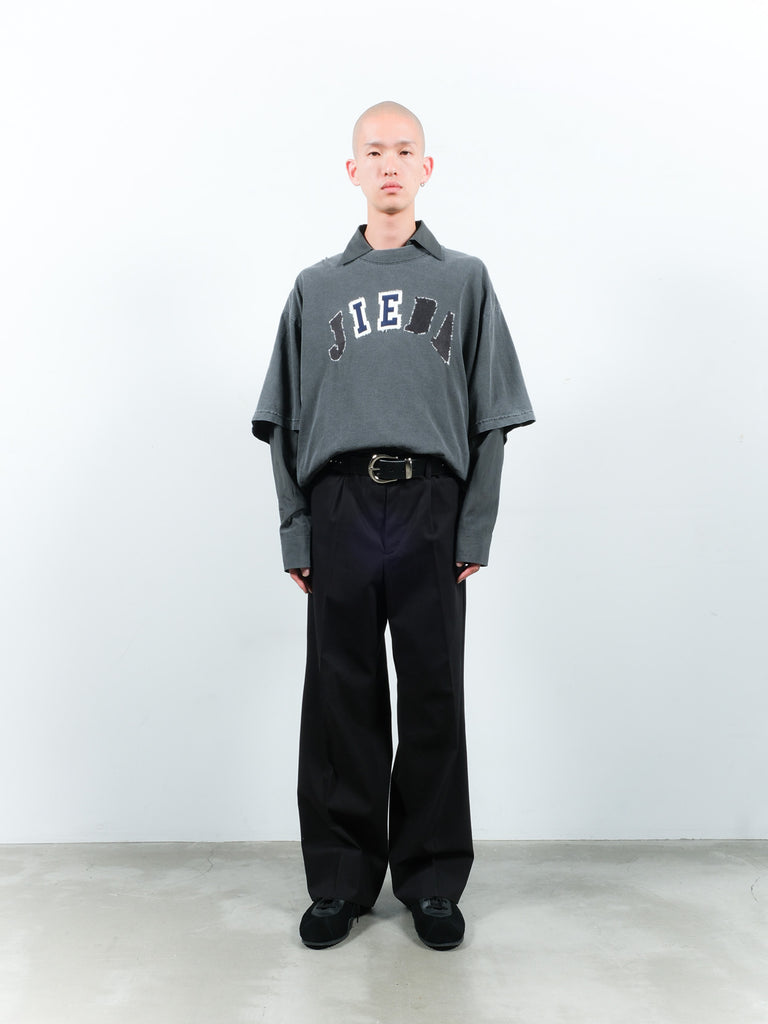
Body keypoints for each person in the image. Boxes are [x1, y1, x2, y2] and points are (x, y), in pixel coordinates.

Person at [251, 101, 534, 950]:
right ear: (352, 170)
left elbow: (493, 418)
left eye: (404, 151)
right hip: (339, 502)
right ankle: (340, 882)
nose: (389, 164)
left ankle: (433, 880)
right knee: (341, 697)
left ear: (425, 168)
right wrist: (297, 530)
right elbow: (284, 423)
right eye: (373, 152)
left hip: (430, 504)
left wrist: (473, 529)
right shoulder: (316, 288)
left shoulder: (464, 280)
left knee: (434, 692)